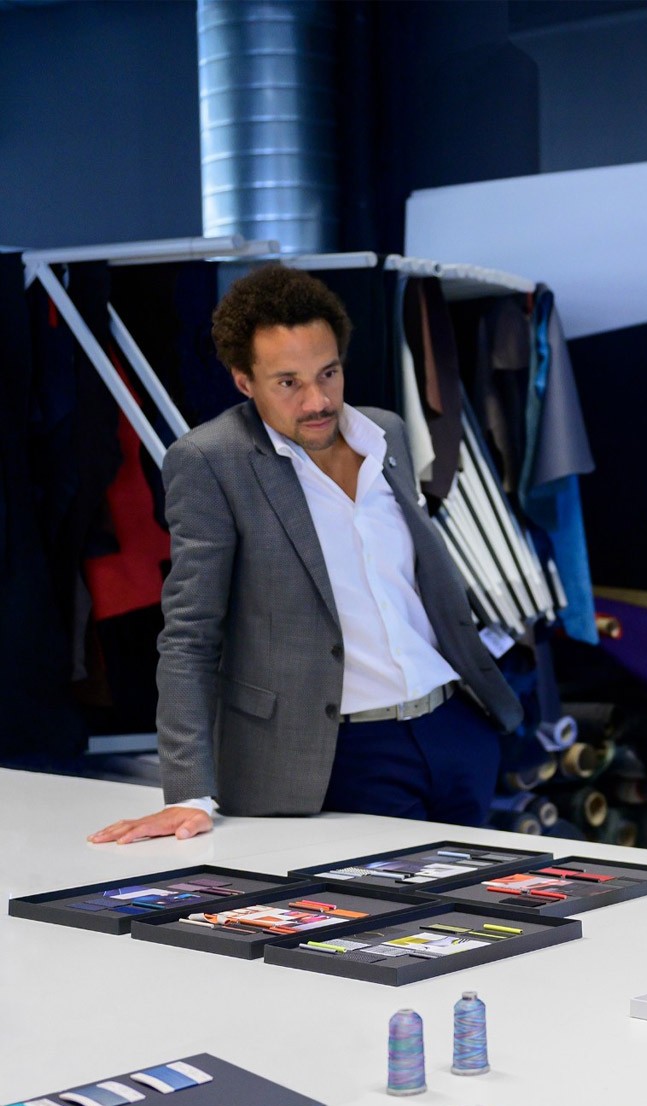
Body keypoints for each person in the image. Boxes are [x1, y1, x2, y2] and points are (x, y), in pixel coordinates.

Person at [87, 266, 522, 845]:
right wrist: (188, 791)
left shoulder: (383, 432)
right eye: (287, 382)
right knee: (396, 927)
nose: (318, 401)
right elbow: (189, 637)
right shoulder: (210, 461)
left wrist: (474, 726)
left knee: (487, 915)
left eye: (328, 373)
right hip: (340, 754)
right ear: (245, 381)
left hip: (455, 727)